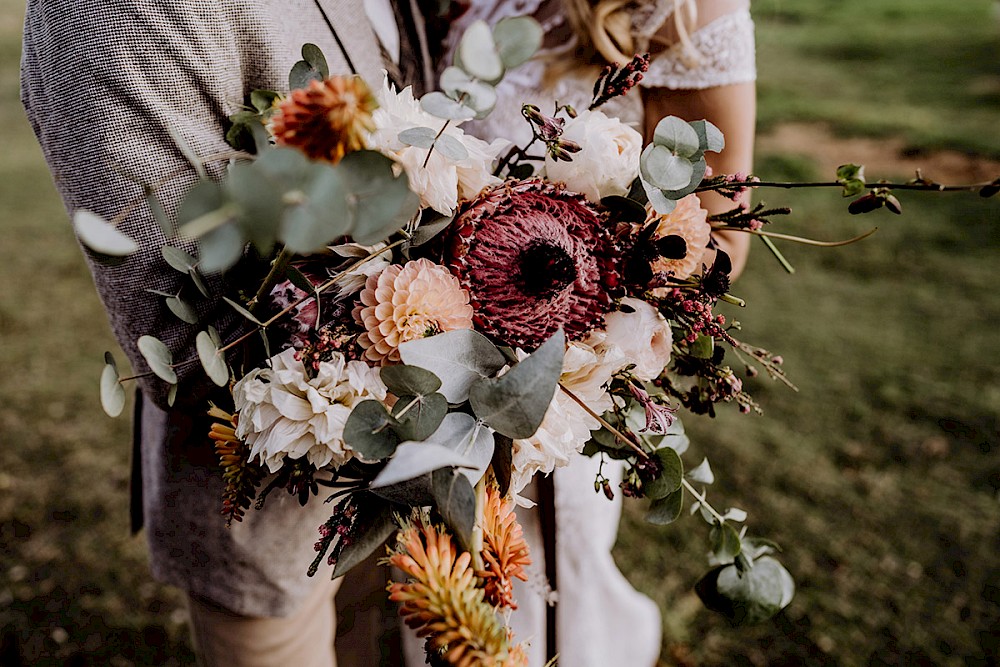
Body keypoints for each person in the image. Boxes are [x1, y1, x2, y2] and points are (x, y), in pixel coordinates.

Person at [21, 1, 430, 664]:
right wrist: (463, 310)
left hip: (408, 487)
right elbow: (183, 339)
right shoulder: (106, 11)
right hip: (267, 511)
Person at [422, 1, 757, 665]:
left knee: (538, 598)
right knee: (437, 593)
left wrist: (594, 269)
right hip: (435, 360)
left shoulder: (686, 9)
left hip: (554, 381)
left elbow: (721, 233)